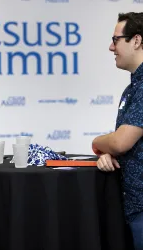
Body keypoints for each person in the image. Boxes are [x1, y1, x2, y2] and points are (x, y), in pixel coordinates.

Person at [92, 12, 143, 250]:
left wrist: (98, 142)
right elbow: (121, 147)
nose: (111, 47)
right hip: (131, 206)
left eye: (116, 40)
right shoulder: (131, 89)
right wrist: (107, 153)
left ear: (136, 40)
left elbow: (122, 141)